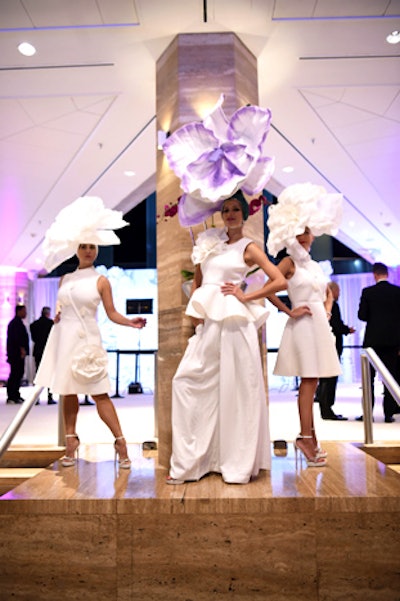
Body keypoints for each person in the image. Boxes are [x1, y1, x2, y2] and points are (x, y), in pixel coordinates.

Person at [167, 191, 287, 485]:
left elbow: (280, 280)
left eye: (236, 209)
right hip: (209, 324)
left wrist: (247, 295)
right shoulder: (209, 244)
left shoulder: (249, 247)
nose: (231, 213)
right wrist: (196, 315)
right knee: (186, 382)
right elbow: (197, 280)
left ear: (244, 214)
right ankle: (195, 462)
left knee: (236, 390)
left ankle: (234, 463)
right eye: (226, 209)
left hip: (235, 323)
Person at [34, 196, 147, 468]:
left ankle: (120, 441)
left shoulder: (101, 280)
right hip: (65, 338)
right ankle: (70, 442)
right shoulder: (66, 278)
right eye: (83, 246)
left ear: (97, 250)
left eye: (91, 247)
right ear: (76, 249)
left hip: (87, 341)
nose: (87, 250)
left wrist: (130, 322)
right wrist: (59, 314)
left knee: (99, 393)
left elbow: (111, 313)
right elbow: (63, 305)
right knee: (67, 391)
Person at [266, 183, 343, 467]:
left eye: (309, 229)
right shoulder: (289, 262)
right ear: (293, 233)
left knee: (316, 379)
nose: (308, 233)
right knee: (309, 381)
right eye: (303, 229)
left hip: (319, 325)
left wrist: (326, 308)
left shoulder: (314, 265)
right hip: (302, 326)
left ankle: (308, 437)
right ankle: (306, 437)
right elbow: (268, 288)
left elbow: (327, 292)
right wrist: (288, 310)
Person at [357, 262, 400, 423]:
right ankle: (388, 413)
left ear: (375, 275)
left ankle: (368, 413)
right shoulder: (397, 292)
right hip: (392, 342)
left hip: (372, 342)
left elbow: (362, 316)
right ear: (387, 274)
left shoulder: (368, 292)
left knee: (368, 380)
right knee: (390, 378)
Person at [315, 281, 355, 420]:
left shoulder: (319, 306)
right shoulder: (331, 306)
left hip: (323, 344)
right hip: (331, 345)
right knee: (330, 377)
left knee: (325, 377)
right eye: (337, 291)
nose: (339, 294)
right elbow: (336, 325)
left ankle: (325, 407)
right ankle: (327, 409)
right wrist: (346, 330)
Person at [30, 306, 56, 404]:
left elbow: (34, 339)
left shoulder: (34, 325)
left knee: (38, 374)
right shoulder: (51, 324)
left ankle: (36, 398)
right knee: (49, 373)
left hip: (38, 351)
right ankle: (50, 397)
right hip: (48, 350)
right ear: (48, 313)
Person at [6, 305, 30, 404]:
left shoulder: (18, 323)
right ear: (18, 311)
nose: (25, 313)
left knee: (18, 373)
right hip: (16, 354)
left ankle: (15, 394)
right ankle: (12, 395)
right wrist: (22, 349)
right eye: (24, 311)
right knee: (15, 374)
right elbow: (16, 339)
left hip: (17, 354)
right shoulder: (15, 324)